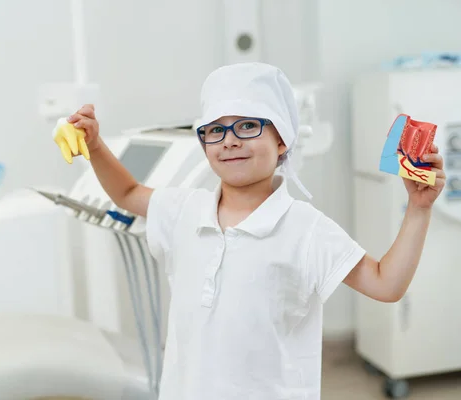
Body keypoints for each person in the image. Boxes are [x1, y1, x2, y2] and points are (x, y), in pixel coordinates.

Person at [65, 62, 446, 399]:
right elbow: (128, 192)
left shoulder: (305, 229)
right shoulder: (183, 209)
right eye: (215, 130)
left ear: (282, 140)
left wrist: (418, 208)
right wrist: (96, 145)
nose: (229, 140)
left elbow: (386, 284)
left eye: (247, 125)